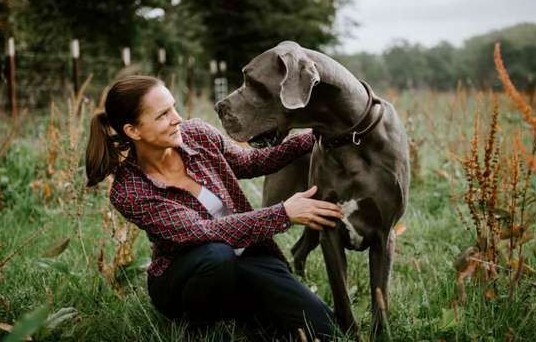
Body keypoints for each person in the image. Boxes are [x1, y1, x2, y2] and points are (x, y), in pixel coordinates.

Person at [85, 75, 344, 341]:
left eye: (173, 107)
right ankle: (199, 327)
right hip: (188, 277)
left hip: (246, 256)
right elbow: (202, 231)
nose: (177, 118)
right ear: (133, 131)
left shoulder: (197, 134)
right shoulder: (129, 191)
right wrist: (284, 213)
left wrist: (313, 138)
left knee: (323, 328)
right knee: (217, 255)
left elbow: (251, 162)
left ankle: (246, 311)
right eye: (163, 115)